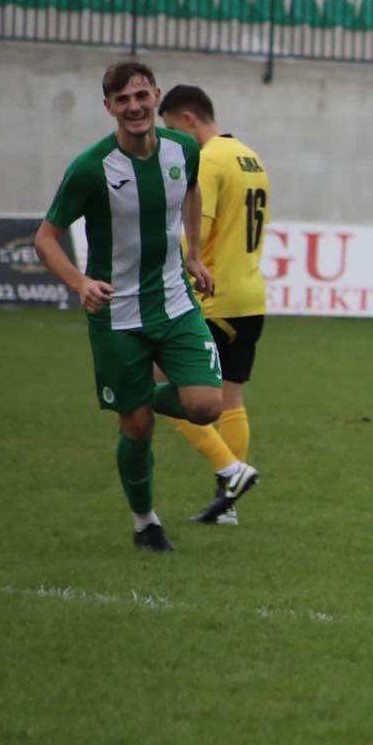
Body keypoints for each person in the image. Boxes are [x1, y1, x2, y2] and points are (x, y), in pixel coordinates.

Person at [31, 59, 247, 552]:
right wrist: (79, 281)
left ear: (156, 96)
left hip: (174, 302)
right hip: (116, 315)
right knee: (139, 427)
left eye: (141, 96)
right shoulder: (91, 168)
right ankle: (145, 522)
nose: (134, 107)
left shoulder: (184, 148)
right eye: (122, 100)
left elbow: (191, 189)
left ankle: (126, 397)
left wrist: (194, 252)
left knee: (205, 405)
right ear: (109, 107)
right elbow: (45, 238)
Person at [158, 84, 268, 525]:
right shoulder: (251, 157)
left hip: (212, 298)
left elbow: (194, 231)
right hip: (250, 296)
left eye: (171, 129)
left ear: (188, 119)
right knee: (231, 398)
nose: (172, 139)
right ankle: (229, 507)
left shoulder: (207, 159)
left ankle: (233, 470)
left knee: (152, 383)